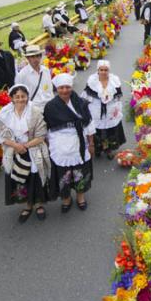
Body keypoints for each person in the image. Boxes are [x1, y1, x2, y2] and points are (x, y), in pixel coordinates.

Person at [0, 84, 52, 223]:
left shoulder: (35, 112)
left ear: (27, 97)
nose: (20, 99)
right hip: (14, 151)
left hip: (32, 149)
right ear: (12, 98)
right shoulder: (5, 114)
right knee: (20, 178)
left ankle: (38, 204)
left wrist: (24, 146)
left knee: (35, 177)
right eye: (17, 97)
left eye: (23, 96)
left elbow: (41, 135)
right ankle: (27, 205)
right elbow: (0, 135)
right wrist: (16, 146)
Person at [43, 73, 95, 212]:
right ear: (56, 89)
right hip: (60, 146)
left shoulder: (81, 103)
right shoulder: (50, 107)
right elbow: (47, 130)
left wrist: (91, 144)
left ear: (71, 87)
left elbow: (89, 124)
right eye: (61, 88)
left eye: (67, 87)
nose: (64, 90)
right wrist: (48, 147)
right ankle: (66, 198)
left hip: (79, 144)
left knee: (80, 173)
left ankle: (80, 197)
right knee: (63, 175)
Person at [81, 60, 126, 159]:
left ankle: (108, 149)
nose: (103, 72)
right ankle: (98, 148)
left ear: (108, 70)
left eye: (106, 70)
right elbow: (86, 96)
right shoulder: (92, 81)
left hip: (110, 109)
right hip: (96, 109)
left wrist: (117, 108)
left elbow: (118, 97)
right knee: (97, 130)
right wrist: (85, 109)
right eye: (101, 70)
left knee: (110, 129)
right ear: (98, 70)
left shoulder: (114, 81)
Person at [14, 44, 54, 109]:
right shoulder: (22, 74)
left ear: (41, 56)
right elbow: (18, 95)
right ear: (27, 58)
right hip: (34, 109)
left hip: (49, 105)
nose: (35, 59)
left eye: (37, 56)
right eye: (32, 57)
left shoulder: (46, 70)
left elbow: (50, 90)